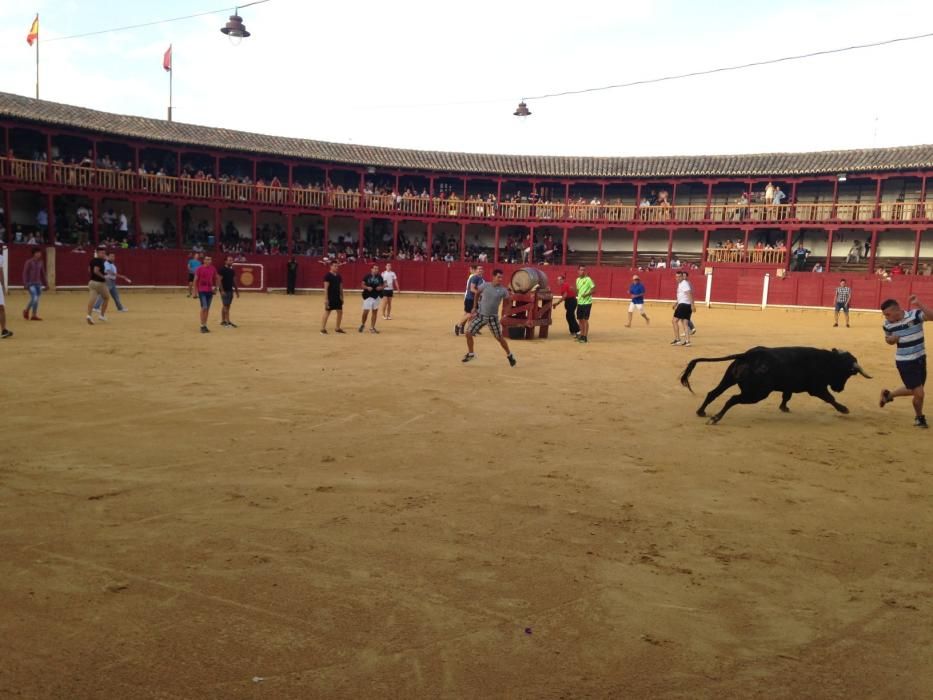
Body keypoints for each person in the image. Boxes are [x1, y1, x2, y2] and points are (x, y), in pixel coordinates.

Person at [879, 295, 931, 428]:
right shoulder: (887, 324)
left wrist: (919, 304)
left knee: (915, 390)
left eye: (887, 314)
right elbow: (888, 339)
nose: (886, 317)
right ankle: (919, 418)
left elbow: (932, 317)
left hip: (920, 359)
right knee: (919, 393)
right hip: (905, 361)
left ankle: (888, 395)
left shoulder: (915, 315)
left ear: (897, 310)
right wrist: (891, 340)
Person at [462, 268, 516, 366]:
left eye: (501, 277)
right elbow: (477, 294)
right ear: (494, 277)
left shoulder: (503, 290)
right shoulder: (485, 285)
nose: (500, 279)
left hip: (493, 318)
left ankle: (509, 354)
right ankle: (471, 354)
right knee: (468, 333)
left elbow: (508, 303)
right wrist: (474, 307)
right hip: (481, 315)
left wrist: (505, 314)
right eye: (498, 277)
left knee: (499, 338)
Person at [194, 253, 220, 333]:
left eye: (210, 259)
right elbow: (195, 280)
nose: (208, 261)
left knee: (207, 309)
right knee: (204, 307)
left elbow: (217, 278)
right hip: (202, 290)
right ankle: (202, 325)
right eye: (207, 259)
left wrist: (216, 288)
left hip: (210, 291)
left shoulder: (213, 268)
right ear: (204, 260)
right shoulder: (199, 269)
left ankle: (205, 325)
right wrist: (195, 292)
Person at [455, 264, 484, 336]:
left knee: (472, 315)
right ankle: (458, 325)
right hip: (470, 298)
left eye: (481, 269)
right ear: (476, 270)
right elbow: (472, 289)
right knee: (470, 314)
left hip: (474, 299)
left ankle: (469, 330)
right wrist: (480, 294)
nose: (480, 270)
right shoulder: (475, 277)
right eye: (479, 269)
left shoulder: (479, 278)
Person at [86, 246, 111, 325]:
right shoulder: (100, 261)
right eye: (102, 253)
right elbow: (96, 271)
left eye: (104, 253)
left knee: (92, 299)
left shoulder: (92, 260)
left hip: (92, 282)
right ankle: (102, 315)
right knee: (106, 298)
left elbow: (89, 270)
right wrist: (104, 277)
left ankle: (89, 315)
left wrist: (98, 274)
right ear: (97, 253)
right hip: (100, 283)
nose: (103, 254)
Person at [22, 247, 48, 321]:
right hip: (30, 284)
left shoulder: (41, 262)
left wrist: (46, 284)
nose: (39, 254)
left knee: (35, 299)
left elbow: (43, 273)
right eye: (37, 253)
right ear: (34, 254)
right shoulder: (29, 262)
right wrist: (25, 283)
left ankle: (29, 312)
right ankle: (30, 313)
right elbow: (25, 273)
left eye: (40, 253)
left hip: (38, 284)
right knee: (35, 298)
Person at [671, 270, 695, 346]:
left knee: (674, 321)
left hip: (683, 305)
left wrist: (692, 305)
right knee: (685, 323)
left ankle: (677, 340)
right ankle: (688, 341)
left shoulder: (683, 284)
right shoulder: (682, 284)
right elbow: (682, 296)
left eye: (679, 276)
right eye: (676, 277)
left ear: (682, 277)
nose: (677, 278)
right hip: (686, 305)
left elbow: (689, 294)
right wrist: (676, 303)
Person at [321, 261, 345, 334]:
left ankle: (337, 328)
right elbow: (326, 288)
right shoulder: (327, 276)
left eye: (337, 266)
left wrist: (342, 297)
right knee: (327, 311)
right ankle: (322, 329)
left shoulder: (339, 276)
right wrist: (326, 299)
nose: (336, 267)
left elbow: (341, 288)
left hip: (337, 297)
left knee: (340, 312)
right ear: (330, 266)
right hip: (330, 297)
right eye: (334, 266)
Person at [359, 264, 384, 334]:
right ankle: (363, 324)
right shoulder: (367, 276)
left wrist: (381, 288)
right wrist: (367, 288)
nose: (376, 270)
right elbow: (362, 285)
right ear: (371, 269)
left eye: (377, 269)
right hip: (368, 296)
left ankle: (372, 327)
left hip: (376, 296)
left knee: (374, 312)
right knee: (366, 312)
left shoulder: (380, 277)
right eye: (375, 268)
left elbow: (384, 285)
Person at [575, 265, 595, 343]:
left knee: (585, 320)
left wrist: (586, 294)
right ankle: (581, 335)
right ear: (578, 271)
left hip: (587, 302)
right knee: (580, 319)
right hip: (580, 302)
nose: (582, 271)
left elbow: (593, 290)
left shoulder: (588, 279)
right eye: (581, 270)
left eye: (583, 270)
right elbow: (578, 291)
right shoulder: (577, 280)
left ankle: (585, 337)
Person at [219, 255, 240, 328]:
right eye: (229, 260)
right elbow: (219, 281)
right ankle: (228, 322)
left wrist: (237, 291)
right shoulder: (222, 269)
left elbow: (234, 281)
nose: (231, 261)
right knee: (225, 306)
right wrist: (222, 291)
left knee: (227, 305)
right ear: (226, 261)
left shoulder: (232, 271)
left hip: (230, 290)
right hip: (224, 290)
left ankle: (223, 321)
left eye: (232, 260)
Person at [0, 248, 11, 338]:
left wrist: (3, 286)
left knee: (1, 307)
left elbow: (0, 272)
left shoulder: (0, 258)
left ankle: (3, 330)